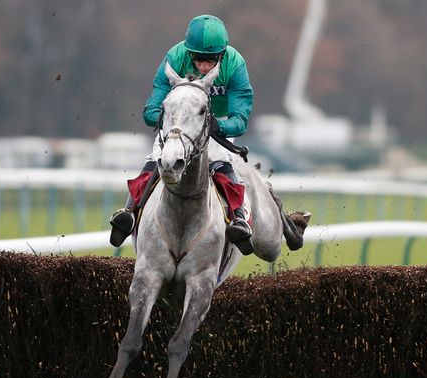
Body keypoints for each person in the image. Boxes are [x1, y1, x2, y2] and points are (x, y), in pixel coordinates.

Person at [110, 14, 308, 254]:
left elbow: (240, 118)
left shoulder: (234, 64)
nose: (204, 67)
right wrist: (162, 117)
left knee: (218, 160)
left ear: (221, 55)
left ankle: (239, 219)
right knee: (158, 158)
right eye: (198, 60)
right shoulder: (174, 58)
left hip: (218, 123)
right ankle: (129, 212)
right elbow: (153, 105)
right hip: (181, 124)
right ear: (189, 52)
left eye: (210, 60)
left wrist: (219, 127)